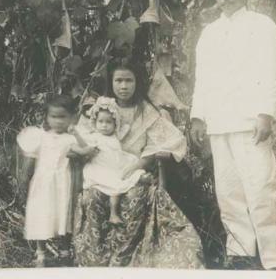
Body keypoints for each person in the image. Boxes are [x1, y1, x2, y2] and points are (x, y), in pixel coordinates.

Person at [189, 0, 276, 270]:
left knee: (261, 189)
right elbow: (201, 78)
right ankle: (240, 254)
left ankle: (271, 260)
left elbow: (272, 72)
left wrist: (266, 113)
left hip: (250, 122)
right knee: (228, 193)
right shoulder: (209, 33)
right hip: (219, 122)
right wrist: (198, 117)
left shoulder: (263, 25)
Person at [72, 60, 204, 268]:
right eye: (119, 80)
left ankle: (123, 258)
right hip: (101, 168)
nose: (123, 86)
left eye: (129, 81)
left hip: (134, 169)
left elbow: (168, 141)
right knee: (92, 197)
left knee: (135, 196)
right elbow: (83, 136)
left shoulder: (146, 111)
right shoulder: (102, 107)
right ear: (112, 82)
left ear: (137, 83)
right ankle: (96, 259)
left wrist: (136, 166)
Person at [16, 95, 95, 267]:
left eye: (63, 117)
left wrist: (77, 133)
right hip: (43, 182)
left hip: (63, 182)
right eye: (53, 116)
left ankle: (64, 251)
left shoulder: (71, 138)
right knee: (41, 214)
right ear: (47, 117)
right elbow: (29, 160)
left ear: (72, 118)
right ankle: (41, 253)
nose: (58, 121)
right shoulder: (40, 136)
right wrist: (24, 179)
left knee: (62, 214)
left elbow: (87, 151)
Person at [70, 96, 146, 225]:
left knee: (131, 170)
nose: (104, 125)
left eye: (108, 122)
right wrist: (76, 134)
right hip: (100, 167)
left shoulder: (115, 136)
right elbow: (83, 146)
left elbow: (126, 128)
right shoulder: (95, 137)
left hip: (116, 165)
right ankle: (113, 214)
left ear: (115, 124)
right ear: (95, 122)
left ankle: (142, 178)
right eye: (101, 121)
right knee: (115, 187)